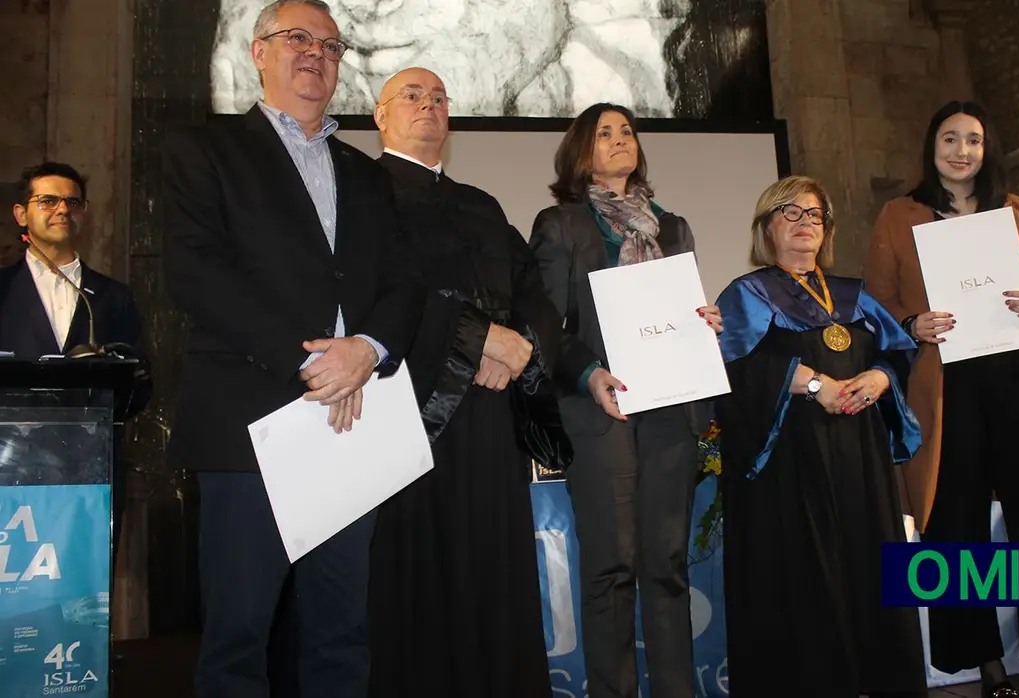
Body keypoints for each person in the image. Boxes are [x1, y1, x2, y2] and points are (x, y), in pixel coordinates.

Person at [161, 2, 419, 696]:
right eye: (297, 39)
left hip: (352, 424)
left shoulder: (367, 175)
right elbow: (195, 274)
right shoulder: (205, 150)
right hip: (250, 426)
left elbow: (401, 282)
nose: (315, 53)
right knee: (238, 639)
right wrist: (311, 362)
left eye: (331, 46)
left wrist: (365, 349)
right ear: (258, 52)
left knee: (342, 636)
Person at [863, 100, 1019, 698]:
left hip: (1016, 376)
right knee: (956, 523)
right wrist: (912, 323)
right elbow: (876, 304)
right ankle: (988, 669)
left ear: (985, 149)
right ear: (932, 147)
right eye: (949, 139)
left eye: (972, 140)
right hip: (946, 386)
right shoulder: (899, 215)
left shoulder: (1014, 210)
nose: (961, 150)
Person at [366, 66, 564, 697]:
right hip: (408, 411)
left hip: (487, 419)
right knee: (413, 575)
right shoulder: (362, 192)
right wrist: (474, 339)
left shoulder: (482, 205)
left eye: (440, 98)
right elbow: (383, 291)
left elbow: (529, 290)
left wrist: (517, 346)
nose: (429, 106)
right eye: (412, 96)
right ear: (381, 115)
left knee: (491, 570)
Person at [529, 102, 722, 698]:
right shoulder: (562, 224)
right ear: (581, 151)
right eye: (604, 132)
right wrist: (587, 372)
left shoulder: (674, 227)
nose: (619, 139)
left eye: (627, 131)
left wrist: (704, 320)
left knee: (666, 567)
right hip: (600, 413)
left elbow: (681, 308)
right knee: (612, 569)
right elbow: (542, 323)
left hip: (670, 410)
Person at [713, 175, 927, 698]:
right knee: (803, 577)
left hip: (859, 456)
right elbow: (734, 371)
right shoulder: (746, 296)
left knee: (870, 567)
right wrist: (810, 383)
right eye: (791, 212)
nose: (806, 223)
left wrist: (879, 377)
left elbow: (897, 352)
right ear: (766, 227)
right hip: (788, 460)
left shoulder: (854, 295)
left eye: (815, 214)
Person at [1, 161, 152, 555]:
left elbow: (140, 383)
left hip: (89, 474)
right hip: (10, 470)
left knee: (82, 596)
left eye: (73, 202)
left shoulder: (113, 297)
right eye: (47, 200)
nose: (62, 210)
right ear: (22, 213)